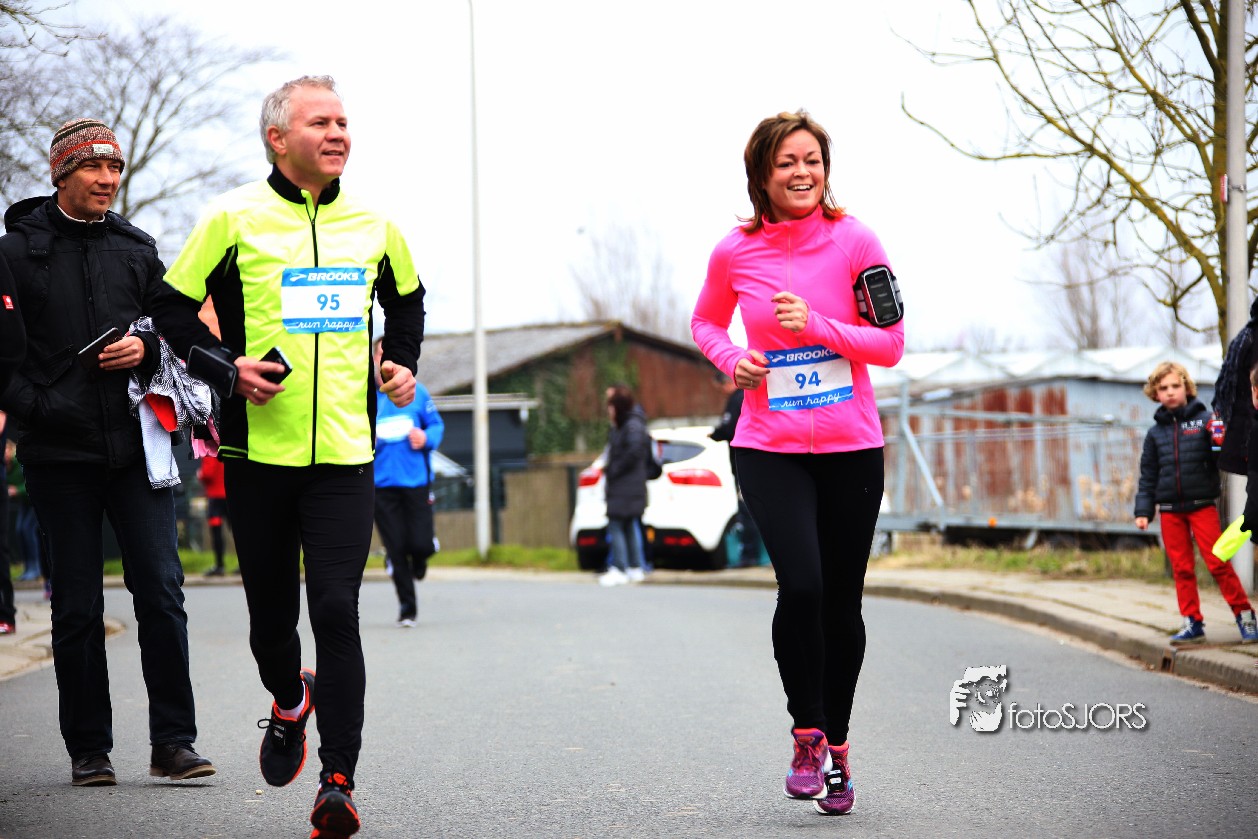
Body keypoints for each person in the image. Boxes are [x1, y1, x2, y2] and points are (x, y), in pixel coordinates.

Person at [151, 75, 425, 839]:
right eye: (320, 122)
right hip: (256, 453)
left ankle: (337, 781)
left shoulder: (375, 225)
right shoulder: (233, 217)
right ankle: (288, 695)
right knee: (272, 622)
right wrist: (224, 366)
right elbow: (170, 306)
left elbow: (407, 299)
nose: (338, 133)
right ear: (277, 138)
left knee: (336, 608)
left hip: (345, 454)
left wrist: (400, 360)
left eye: (343, 122)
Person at [691, 110, 905, 816]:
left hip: (850, 448)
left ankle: (838, 746)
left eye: (812, 159)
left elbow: (891, 343)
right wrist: (732, 359)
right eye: (786, 162)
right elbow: (704, 322)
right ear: (762, 175)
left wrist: (816, 325)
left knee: (842, 603)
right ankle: (806, 733)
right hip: (768, 446)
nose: (802, 172)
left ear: (826, 168)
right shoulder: (734, 252)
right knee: (803, 586)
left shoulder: (856, 241)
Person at [0, 118, 215, 786]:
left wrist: (146, 348)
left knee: (163, 593)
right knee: (77, 607)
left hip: (137, 449)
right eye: (94, 167)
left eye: (115, 168)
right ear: (61, 172)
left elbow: (174, 330)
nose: (108, 179)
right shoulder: (13, 252)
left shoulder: (137, 248)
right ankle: (89, 748)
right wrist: (42, 410)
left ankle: (174, 742)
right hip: (57, 456)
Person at [1134, 361, 1257, 645]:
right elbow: (1148, 474)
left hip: (1201, 505)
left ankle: (1245, 616)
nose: (1170, 392)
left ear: (1187, 387)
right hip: (1169, 511)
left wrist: (1218, 439)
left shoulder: (1205, 421)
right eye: (1163, 388)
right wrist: (1143, 510)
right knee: (1181, 568)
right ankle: (1192, 622)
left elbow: (1220, 459)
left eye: (1175, 386)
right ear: (1155, 393)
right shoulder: (1155, 434)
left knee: (1218, 562)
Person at [372, 337, 443, 628]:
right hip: (381, 486)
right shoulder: (366, 399)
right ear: (374, 359)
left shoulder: (418, 393)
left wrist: (425, 438)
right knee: (396, 548)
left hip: (416, 482)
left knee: (420, 544)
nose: (386, 358)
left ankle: (423, 555)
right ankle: (407, 610)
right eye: (381, 353)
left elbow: (436, 425)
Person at [598, 384, 651, 586]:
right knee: (629, 525)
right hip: (629, 486)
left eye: (611, 407)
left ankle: (620, 567)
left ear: (617, 407)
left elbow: (633, 452)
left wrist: (613, 469)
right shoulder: (628, 425)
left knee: (617, 525)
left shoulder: (630, 426)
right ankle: (635, 567)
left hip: (625, 486)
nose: (609, 411)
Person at [710, 371, 764, 567]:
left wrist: (714, 434)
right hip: (751, 463)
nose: (722, 392)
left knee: (747, 511)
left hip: (744, 464)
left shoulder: (738, 399)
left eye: (721, 387)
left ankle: (750, 555)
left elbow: (728, 427)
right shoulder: (746, 396)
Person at [197, 453, 229, 577]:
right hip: (229, 496)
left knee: (216, 532)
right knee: (236, 531)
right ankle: (242, 564)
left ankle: (219, 565)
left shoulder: (209, 451)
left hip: (215, 497)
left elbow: (207, 473)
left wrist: (200, 474)